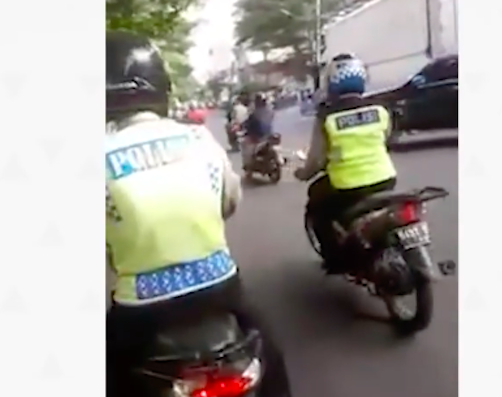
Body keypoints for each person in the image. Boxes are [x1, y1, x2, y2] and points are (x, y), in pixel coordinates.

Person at [106, 30, 292, 397]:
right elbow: (229, 201)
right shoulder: (198, 138)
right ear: (162, 86)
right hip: (218, 286)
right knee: (267, 347)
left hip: (143, 306)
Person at [293, 53, 398, 274]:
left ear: (330, 82)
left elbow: (318, 159)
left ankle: (335, 260)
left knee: (318, 209)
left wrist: (303, 173)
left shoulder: (327, 115)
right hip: (386, 179)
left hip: (346, 186)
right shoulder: (380, 108)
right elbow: (387, 139)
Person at [241, 93, 275, 173]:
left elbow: (247, 124)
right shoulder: (270, 111)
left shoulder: (254, 113)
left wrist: (244, 128)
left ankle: (248, 167)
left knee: (245, 146)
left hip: (257, 137)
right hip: (269, 135)